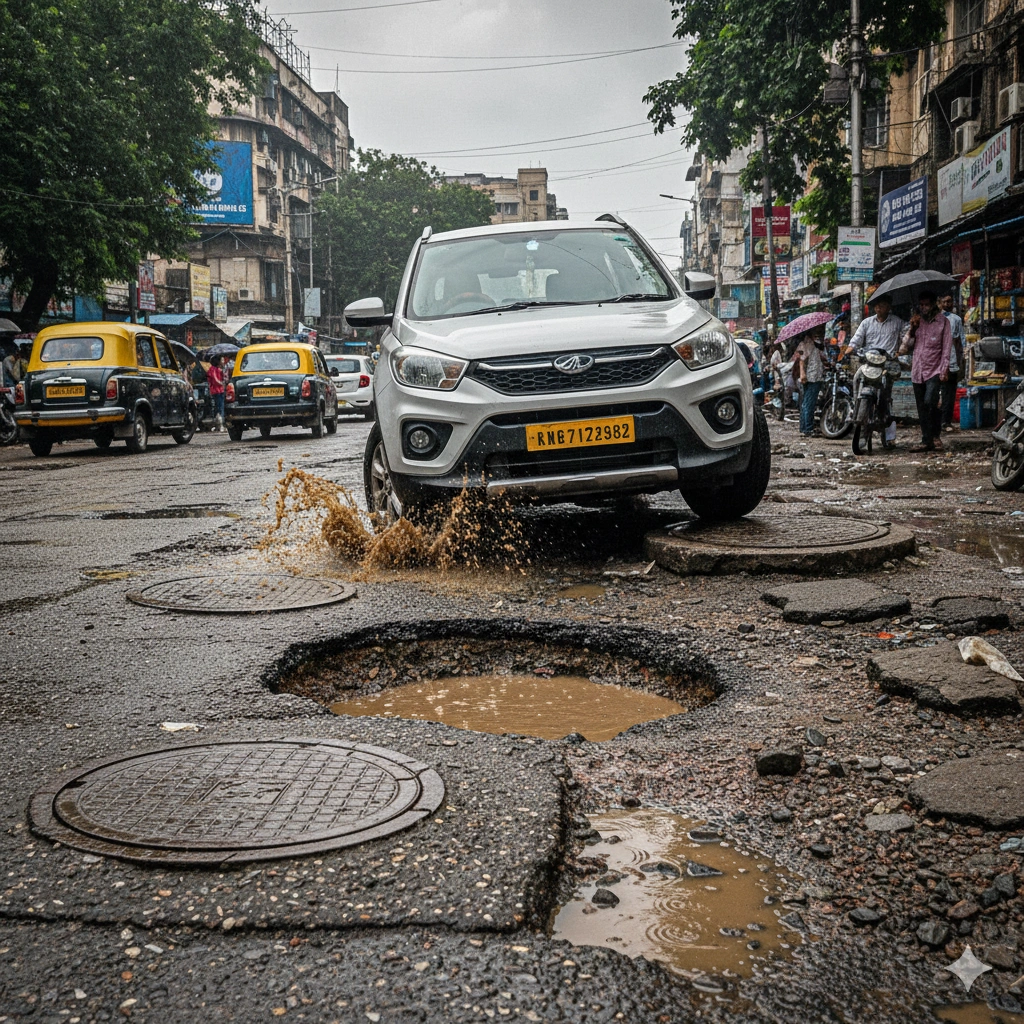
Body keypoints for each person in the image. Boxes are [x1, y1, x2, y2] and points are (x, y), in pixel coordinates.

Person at [844, 295, 907, 445]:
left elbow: (906, 338)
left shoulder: (898, 322)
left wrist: (901, 352)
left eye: (883, 305)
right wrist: (849, 350)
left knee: (887, 397)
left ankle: (890, 436)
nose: (879, 308)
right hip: (870, 363)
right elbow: (856, 340)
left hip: (888, 364)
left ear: (889, 307)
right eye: (877, 305)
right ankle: (855, 407)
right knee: (857, 378)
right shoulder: (866, 323)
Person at [900, 289, 952, 452]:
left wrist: (944, 369)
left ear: (934, 305)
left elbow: (946, 348)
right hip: (918, 370)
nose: (924, 308)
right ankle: (926, 439)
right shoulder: (917, 322)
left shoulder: (943, 322)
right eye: (921, 305)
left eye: (926, 305)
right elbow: (905, 347)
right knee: (922, 407)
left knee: (930, 402)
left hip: (934, 369)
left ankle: (935, 435)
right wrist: (912, 329)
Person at [939, 294, 965, 432]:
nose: (947, 304)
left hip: (951, 358)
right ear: (939, 303)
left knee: (949, 392)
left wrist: (962, 358)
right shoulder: (934, 319)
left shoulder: (956, 319)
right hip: (935, 360)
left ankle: (946, 422)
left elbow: (961, 339)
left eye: (950, 301)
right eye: (945, 301)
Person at [795, 325, 826, 437]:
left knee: (806, 403)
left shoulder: (811, 344)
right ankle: (808, 429)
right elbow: (802, 360)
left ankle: (804, 428)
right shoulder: (807, 343)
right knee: (809, 404)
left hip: (812, 376)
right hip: (812, 377)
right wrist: (802, 373)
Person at [207, 355, 226, 432]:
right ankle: (220, 425)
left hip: (218, 390)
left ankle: (218, 424)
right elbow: (215, 380)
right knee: (219, 408)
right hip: (217, 390)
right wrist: (221, 383)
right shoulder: (213, 369)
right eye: (222, 360)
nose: (223, 362)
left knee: (218, 408)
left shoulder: (217, 369)